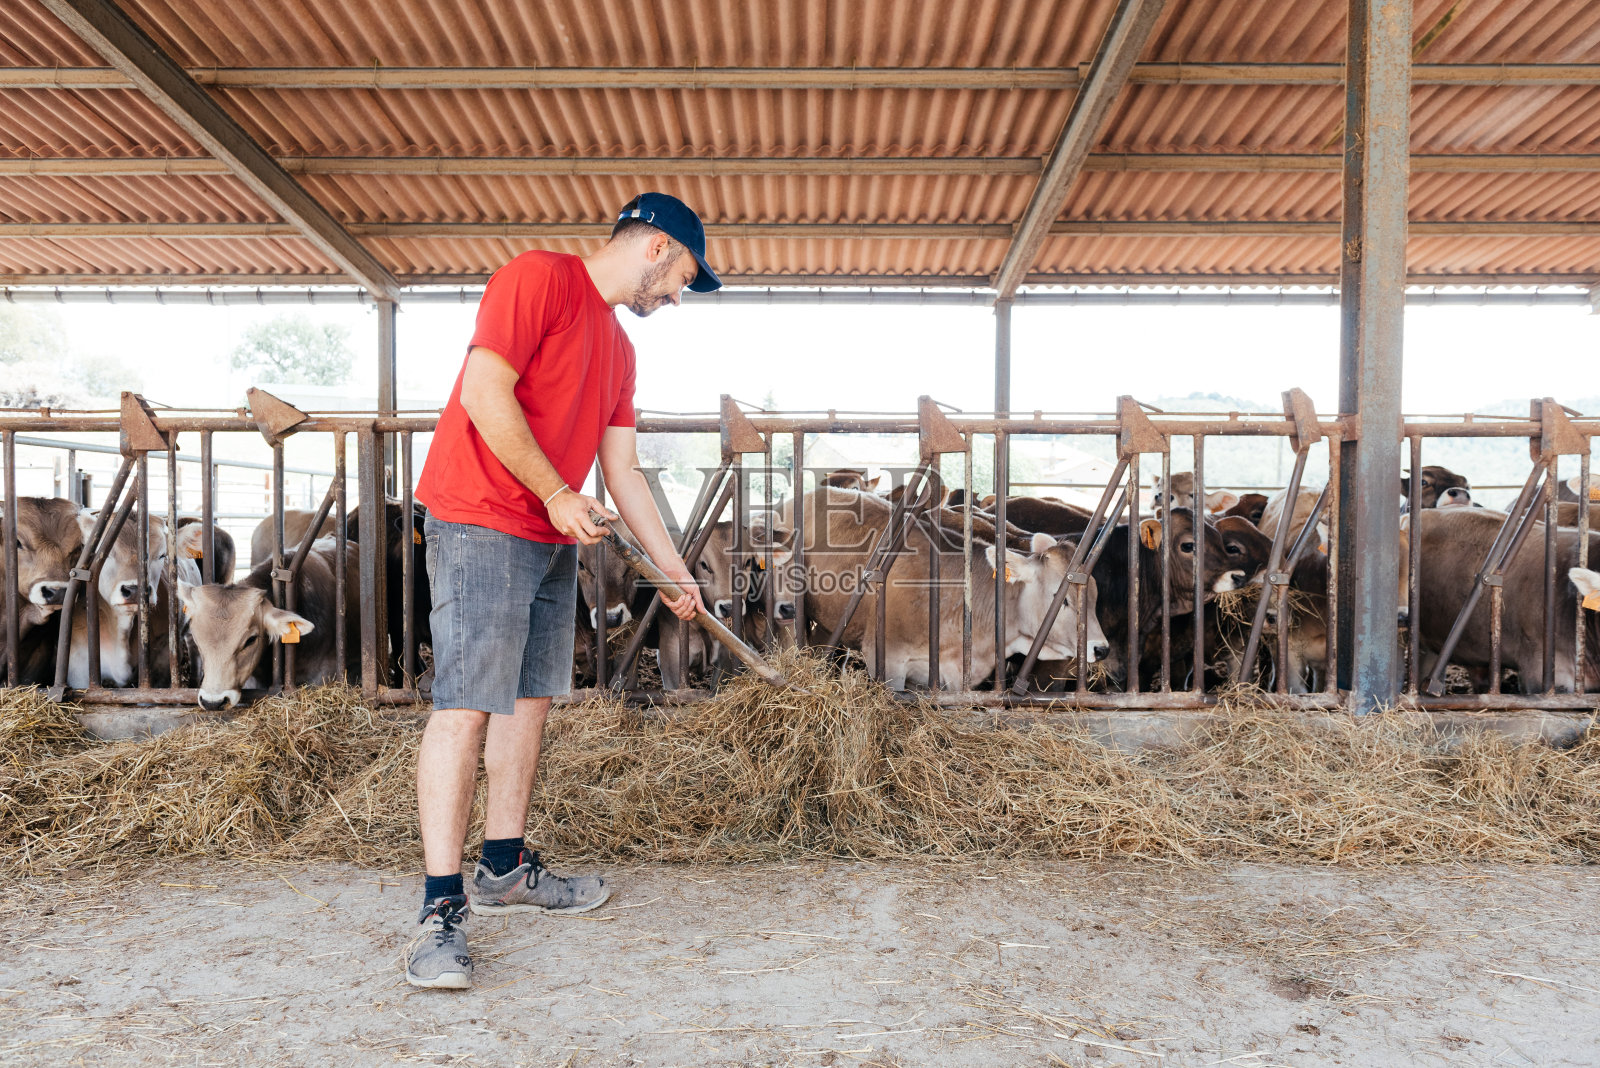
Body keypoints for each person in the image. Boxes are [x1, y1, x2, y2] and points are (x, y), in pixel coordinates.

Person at [404, 193, 719, 989]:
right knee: (467, 702)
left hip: (551, 535)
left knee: (532, 700)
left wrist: (672, 567)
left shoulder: (619, 350)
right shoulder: (536, 278)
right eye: (683, 275)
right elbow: (484, 393)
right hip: (480, 518)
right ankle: (440, 911)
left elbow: (623, 471)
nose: (678, 295)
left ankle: (504, 867)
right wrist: (551, 492)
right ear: (656, 248)